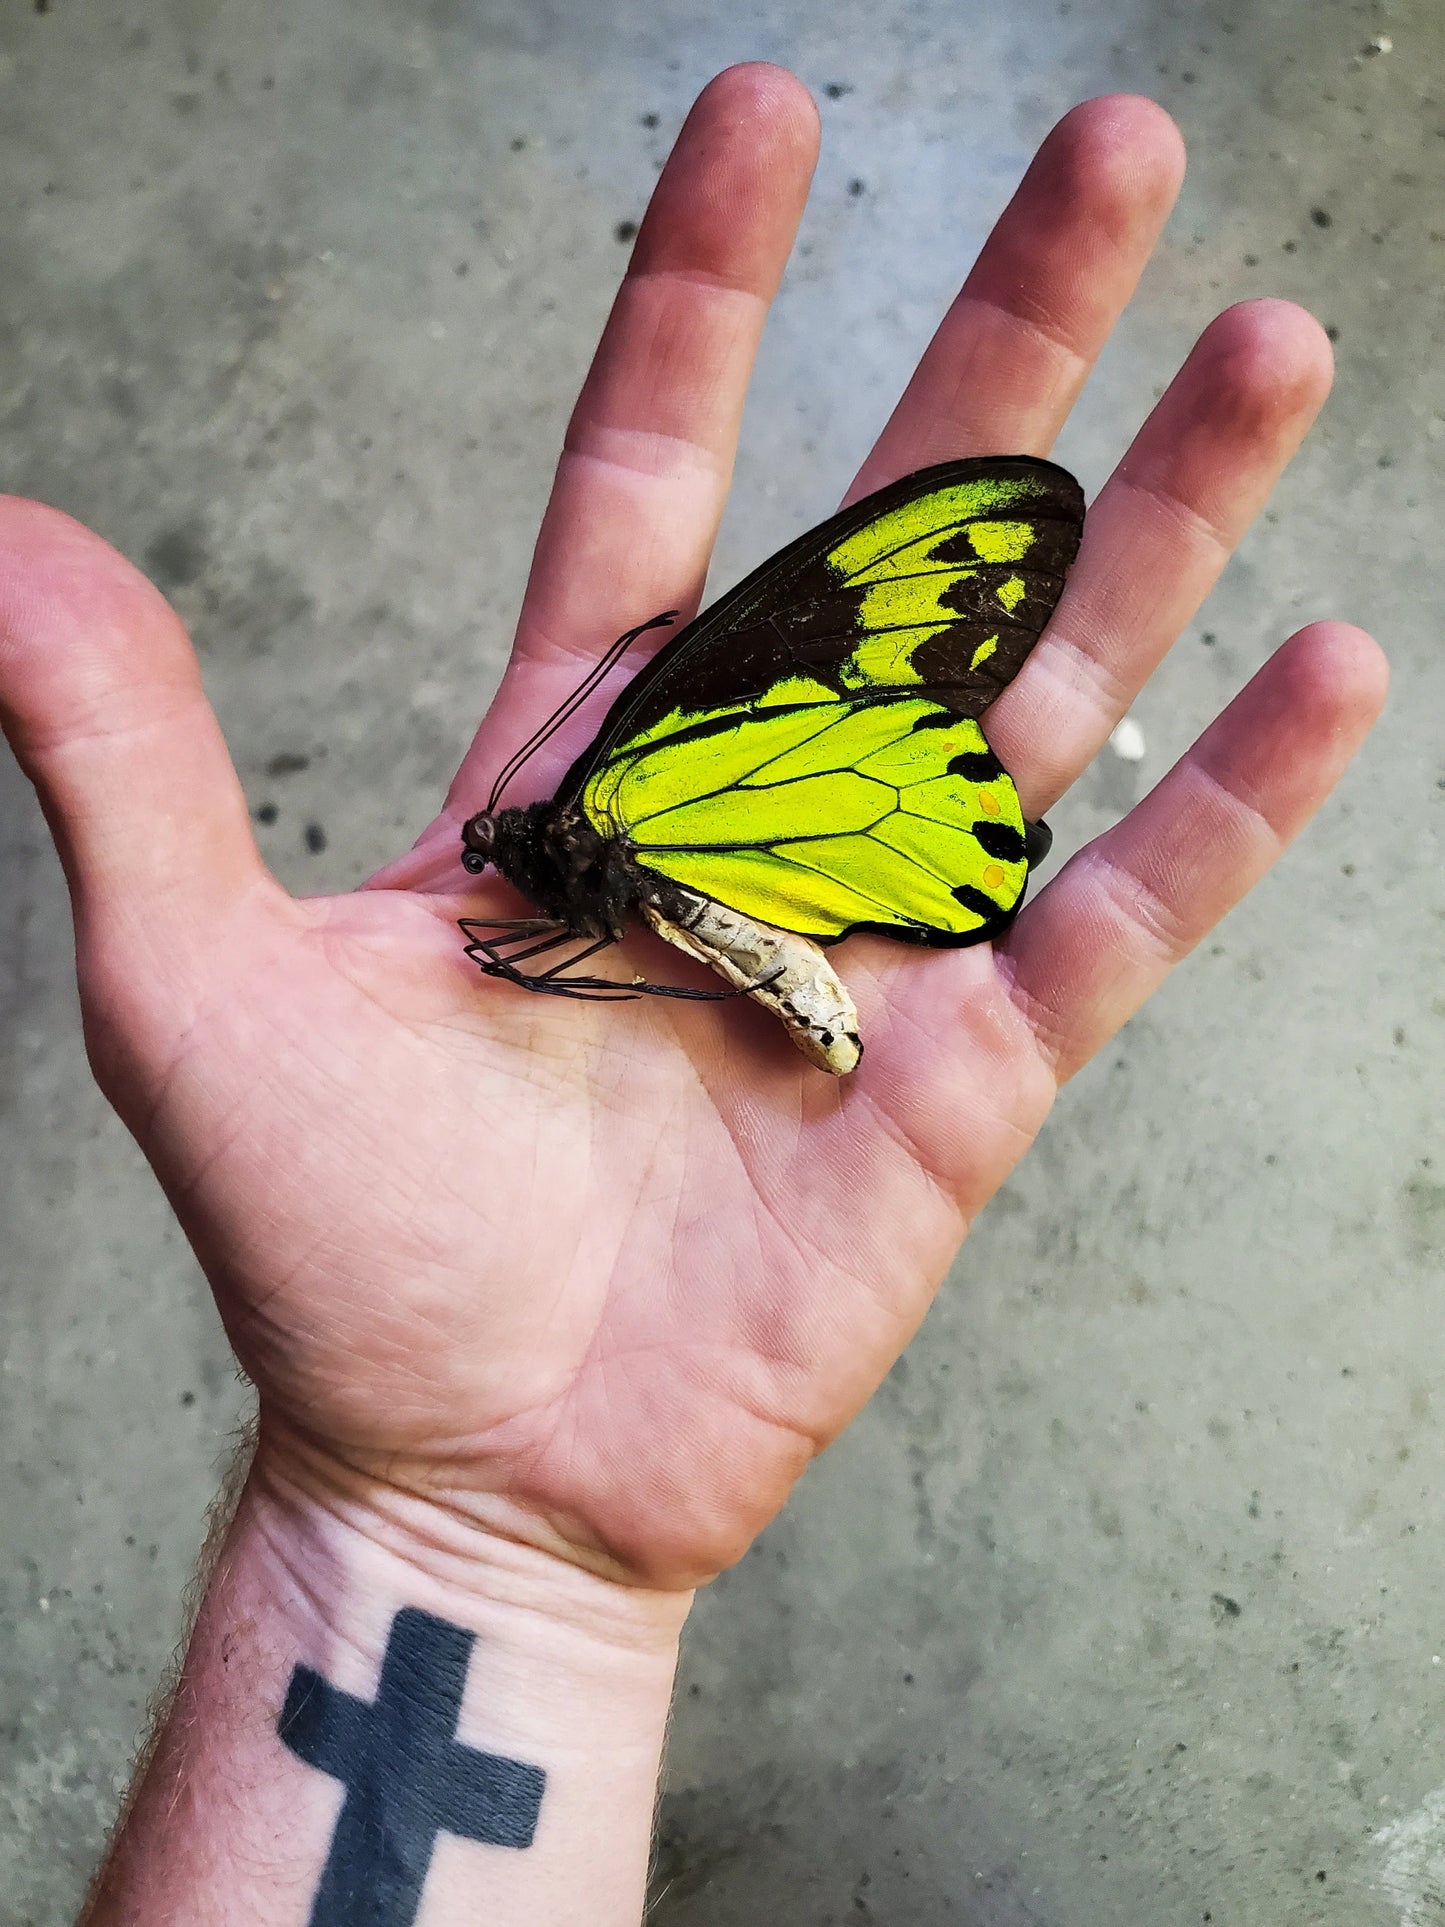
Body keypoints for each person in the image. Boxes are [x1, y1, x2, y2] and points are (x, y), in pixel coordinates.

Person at [1, 63, 1382, 1927]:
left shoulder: (606, 794)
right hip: (768, 889)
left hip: (800, 859)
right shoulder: (545, 896)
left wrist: (447, 1543)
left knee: (659, 804)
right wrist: (452, 1528)